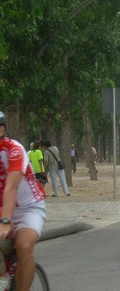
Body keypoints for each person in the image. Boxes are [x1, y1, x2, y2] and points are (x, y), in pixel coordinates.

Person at [0, 111, 47, 291]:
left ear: (1, 130)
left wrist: (5, 221)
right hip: (2, 208)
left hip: (28, 208)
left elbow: (11, 187)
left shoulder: (14, 149)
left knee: (24, 246)